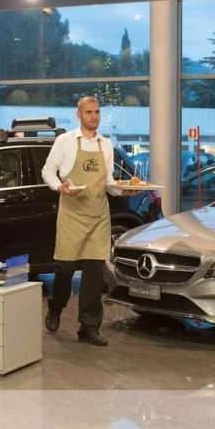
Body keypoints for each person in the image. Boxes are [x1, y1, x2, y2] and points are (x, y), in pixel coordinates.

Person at [41, 95, 139, 347]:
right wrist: (59, 187)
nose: (93, 117)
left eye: (96, 112)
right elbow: (48, 171)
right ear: (78, 115)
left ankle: (89, 326)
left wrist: (124, 191)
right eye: (88, 112)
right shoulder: (65, 141)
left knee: (94, 274)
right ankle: (56, 307)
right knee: (65, 270)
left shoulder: (105, 145)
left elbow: (108, 183)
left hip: (98, 217)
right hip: (72, 215)